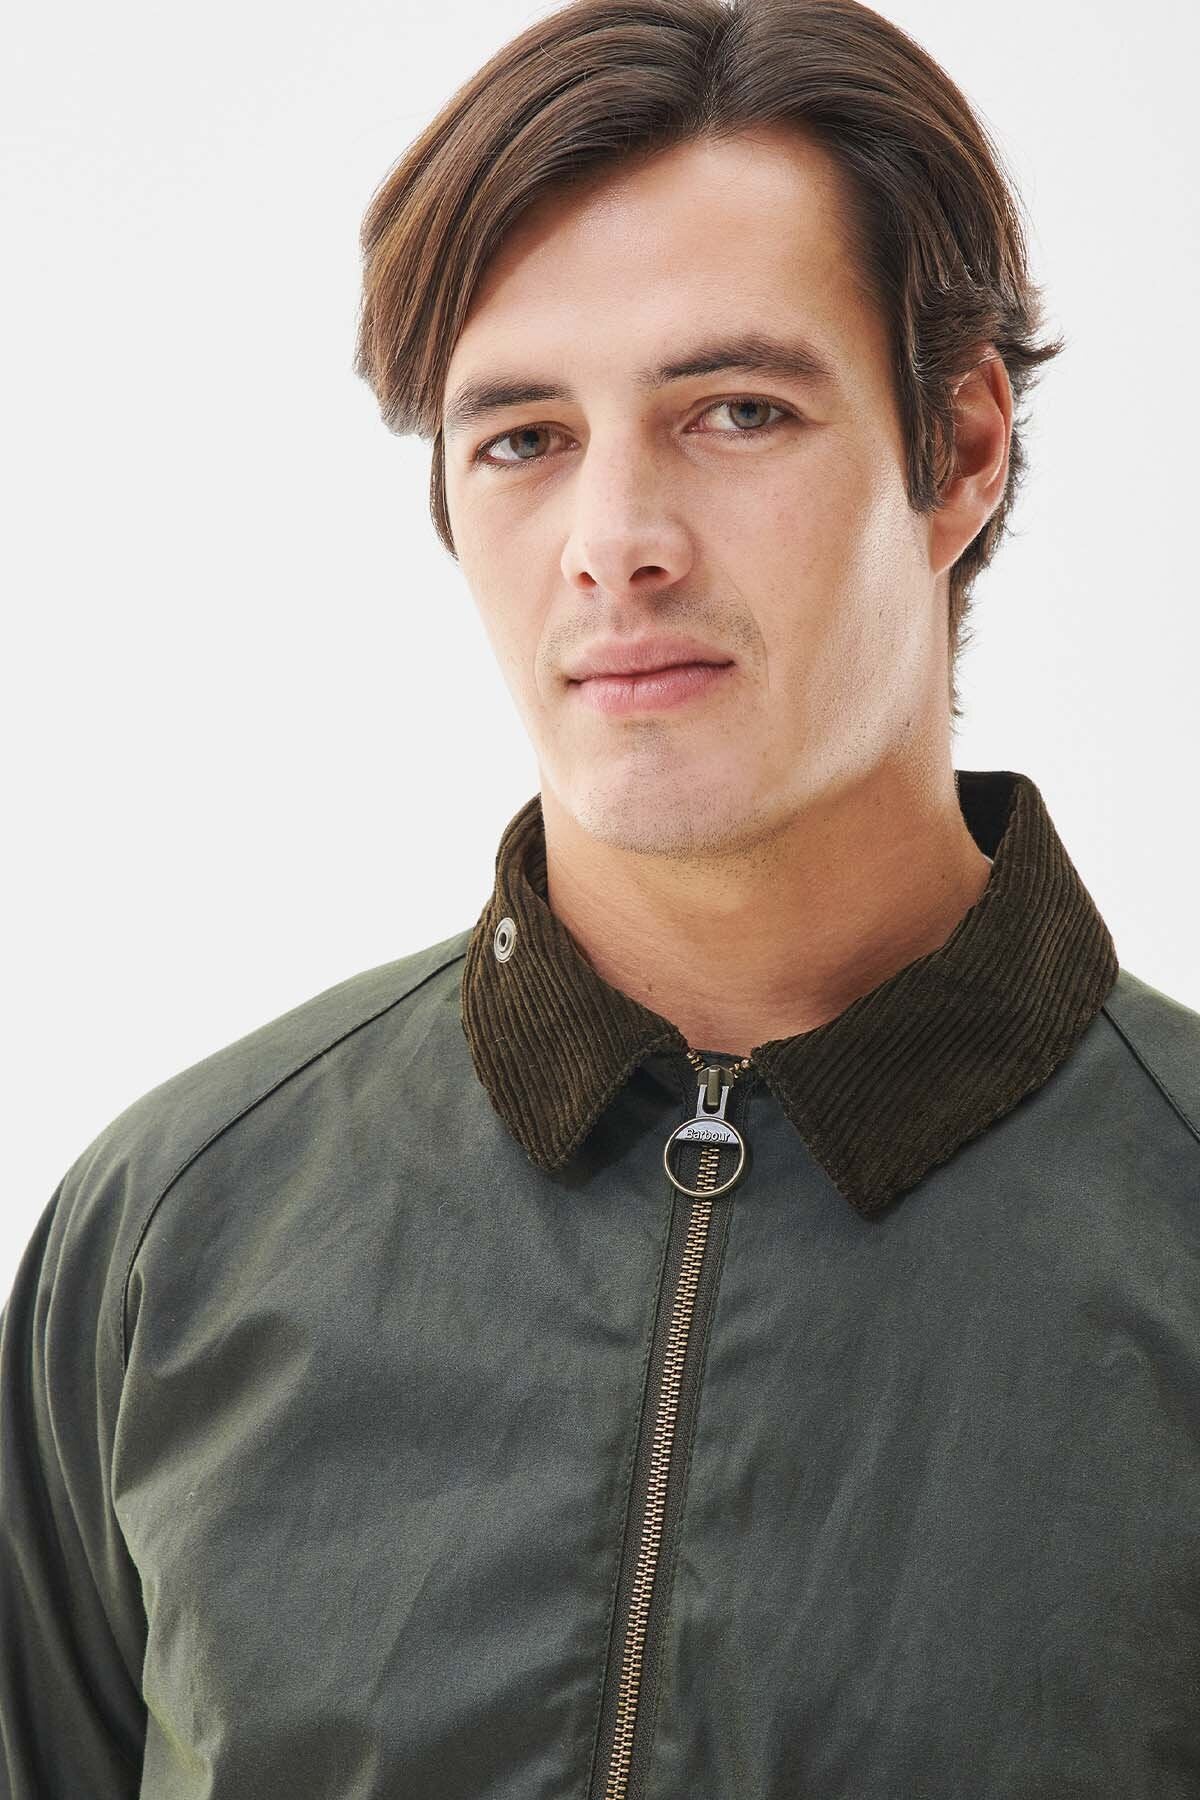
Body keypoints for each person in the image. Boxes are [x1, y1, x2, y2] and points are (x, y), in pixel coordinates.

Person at [3, 0, 1198, 1793]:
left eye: (737, 412)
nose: (614, 541)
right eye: (523, 437)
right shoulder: (169, 1239)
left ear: (961, 449)